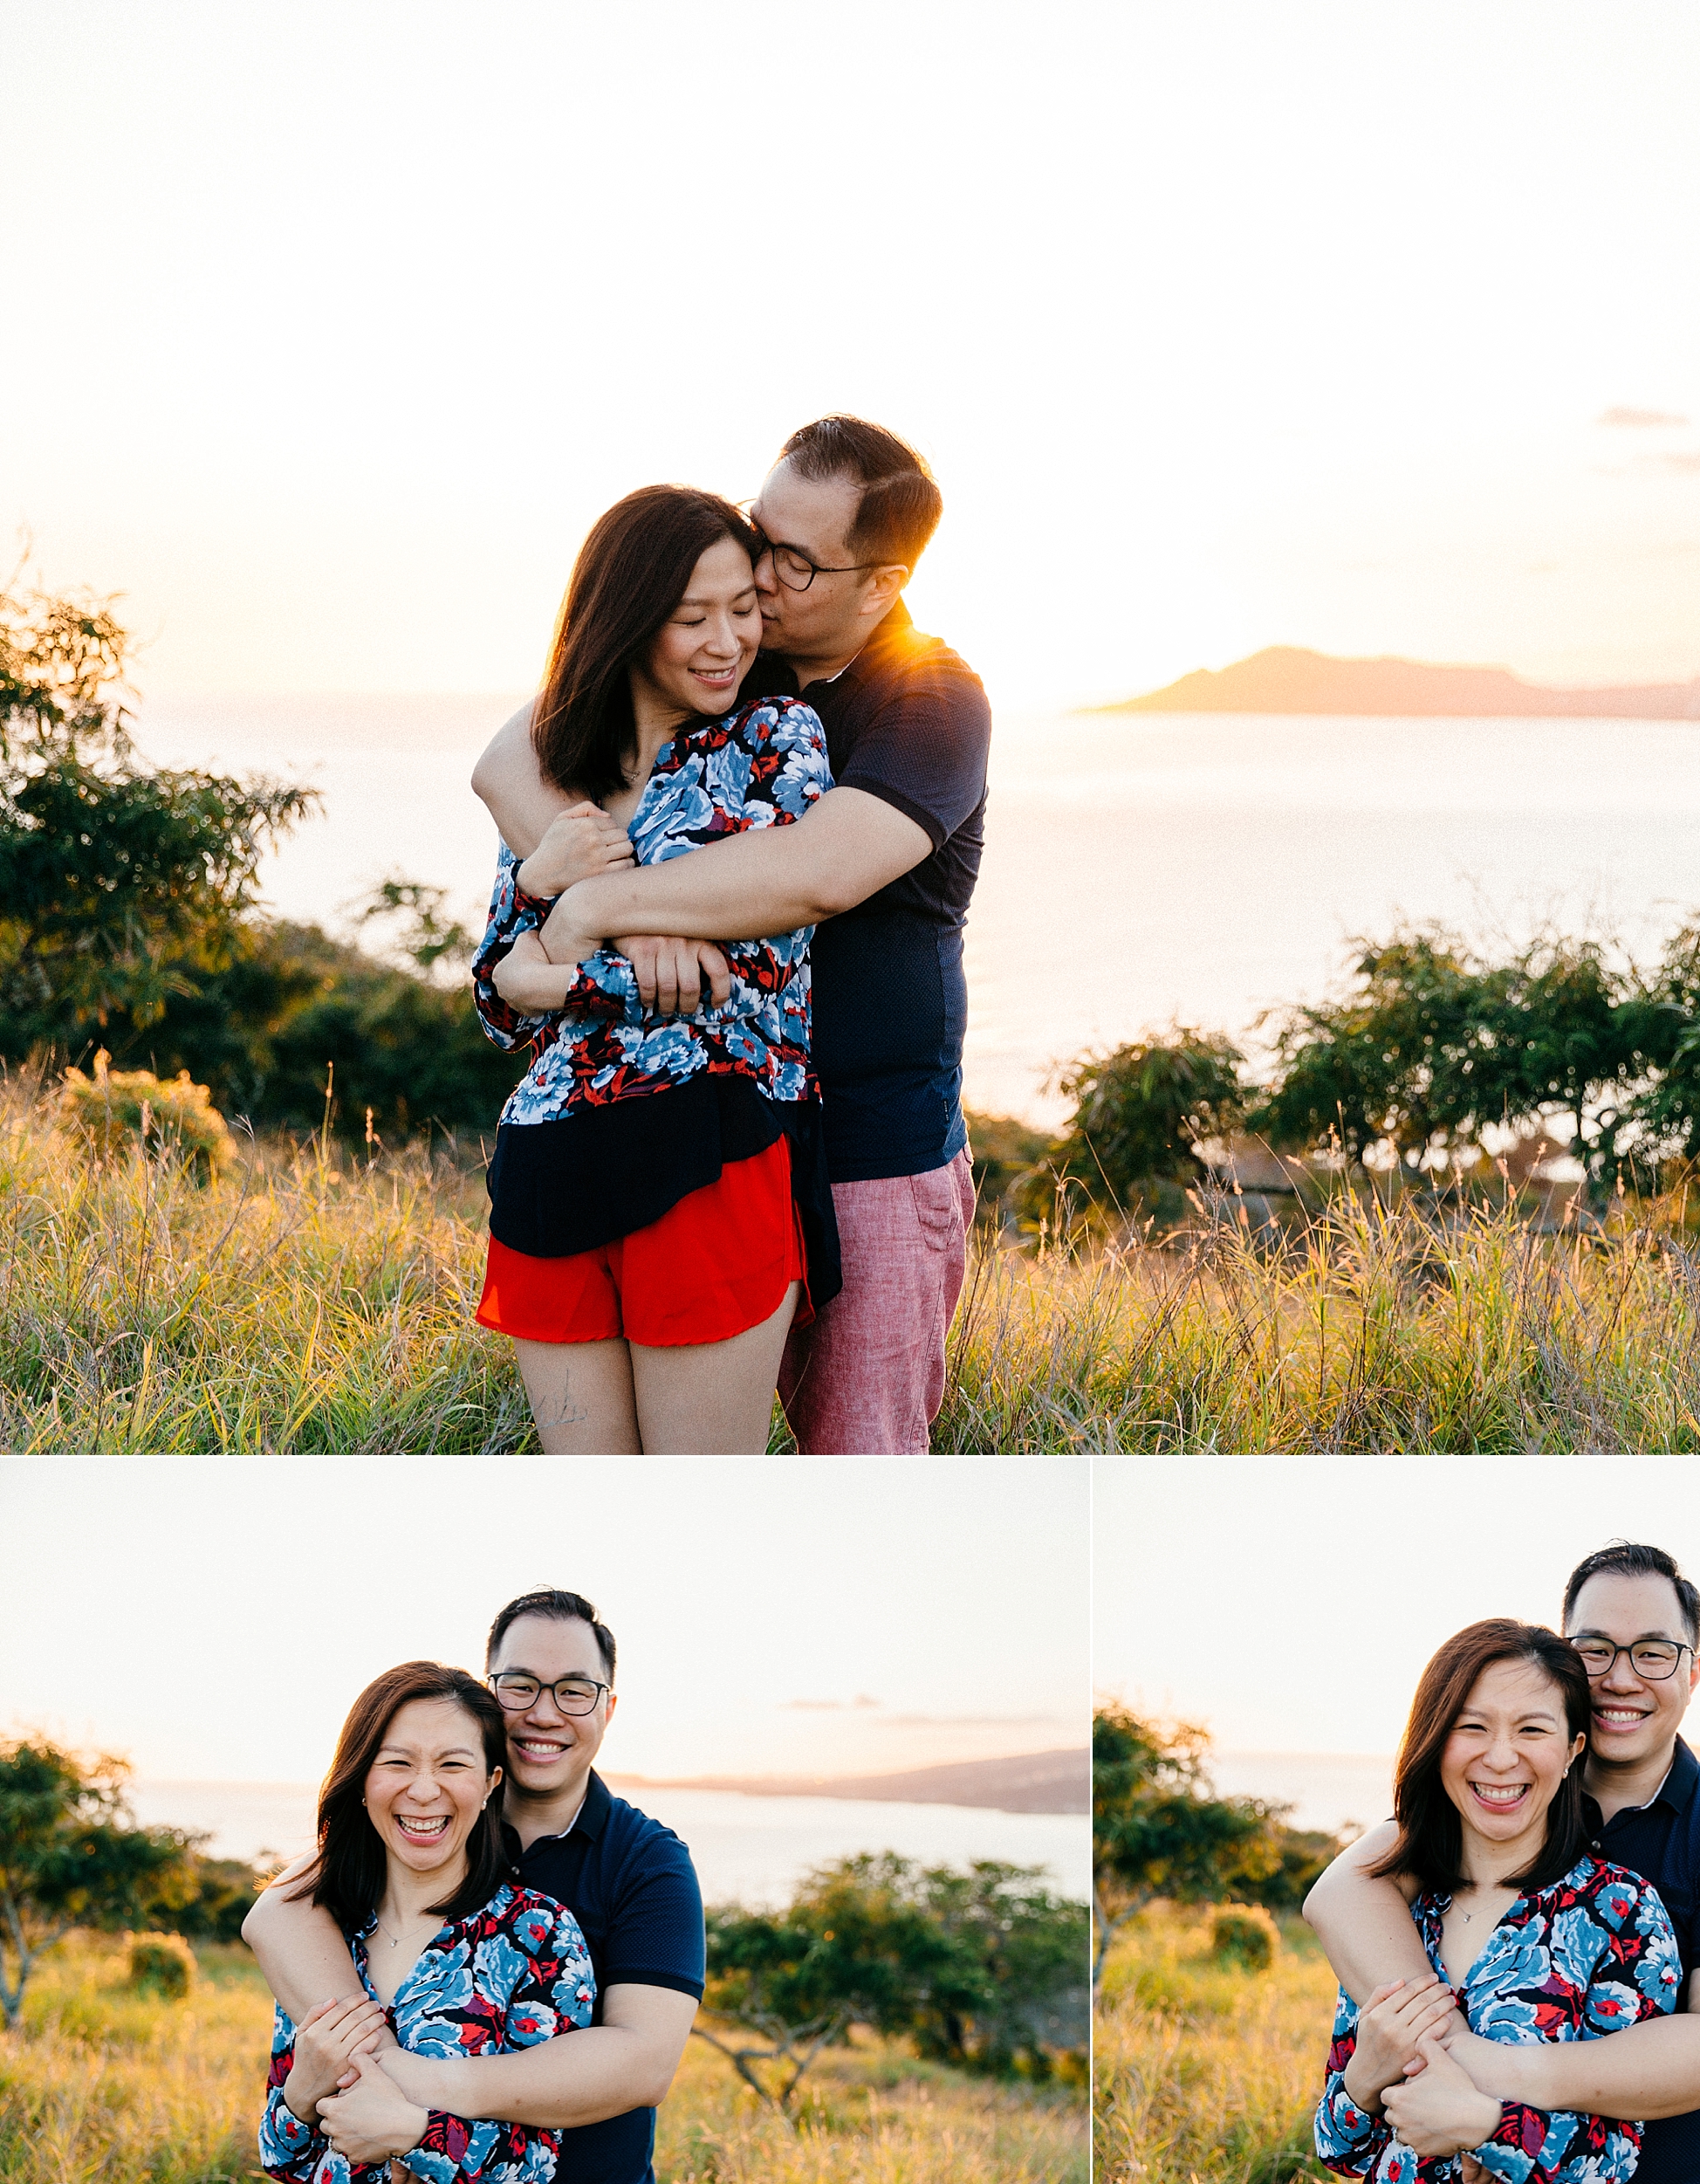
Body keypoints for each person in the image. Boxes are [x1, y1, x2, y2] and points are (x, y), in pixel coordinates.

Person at [472, 416, 991, 1454]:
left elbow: (817, 873)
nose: (761, 573)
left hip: (871, 1154)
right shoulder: (722, 653)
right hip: (677, 1132)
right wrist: (623, 925)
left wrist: (601, 911)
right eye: (762, 532)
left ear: (879, 584)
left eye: (794, 562)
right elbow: (507, 761)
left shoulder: (930, 696)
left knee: (857, 1458)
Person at [470, 484, 840, 1455]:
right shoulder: (559, 767)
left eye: (743, 609)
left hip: (708, 1147)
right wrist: (535, 962)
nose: (728, 640)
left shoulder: (774, 742)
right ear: (628, 620)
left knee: (699, 1499)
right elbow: (496, 1005)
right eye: (691, 618)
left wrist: (554, 968)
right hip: (550, 1158)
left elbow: (746, 978)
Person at [1304, 1544, 1700, 2184]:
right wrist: (1381, 2070)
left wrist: (1478, 2093)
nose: (1621, 1678)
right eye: (1595, 1649)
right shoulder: (1484, 1808)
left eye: (1653, 1653)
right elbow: (1342, 1891)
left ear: (1693, 1672)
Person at [243, 1590, 704, 2184]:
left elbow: (643, 2065)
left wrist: (408, 2099)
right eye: (521, 1684)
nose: (544, 1712)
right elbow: (277, 1909)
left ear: (607, 1708)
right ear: (490, 1695)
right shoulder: (413, 1839)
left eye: (574, 1690)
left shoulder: (644, 1864)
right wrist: (313, 2090)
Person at [1313, 1619, 1681, 2184]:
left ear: (1571, 1750)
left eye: (1532, 1730)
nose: (1502, 1757)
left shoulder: (1620, 1913)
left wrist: (1486, 2129)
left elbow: (1614, 2161)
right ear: (1436, 1742)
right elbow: (1340, 2151)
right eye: (1473, 1727)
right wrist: (1364, 2078)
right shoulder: (1397, 1910)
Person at [257, 1659, 594, 2184]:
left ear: (490, 1783)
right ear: (362, 1778)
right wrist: (301, 2096)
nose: (422, 1790)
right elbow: (281, 2162)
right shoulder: (322, 1928)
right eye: (397, 1763)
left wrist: (415, 2137)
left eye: (452, 1765)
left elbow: (537, 2163)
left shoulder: (539, 1934)